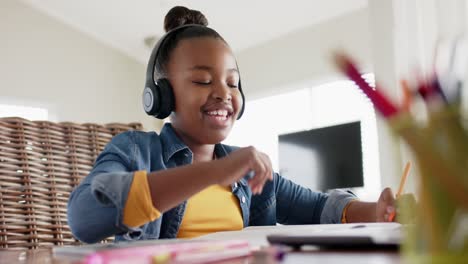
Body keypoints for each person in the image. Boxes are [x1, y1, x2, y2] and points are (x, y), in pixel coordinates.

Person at [67, 6, 396, 243]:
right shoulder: (136, 150)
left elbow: (316, 208)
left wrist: (377, 211)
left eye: (233, 82)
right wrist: (215, 172)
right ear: (162, 96)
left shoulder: (250, 172)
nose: (224, 94)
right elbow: (84, 217)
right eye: (202, 81)